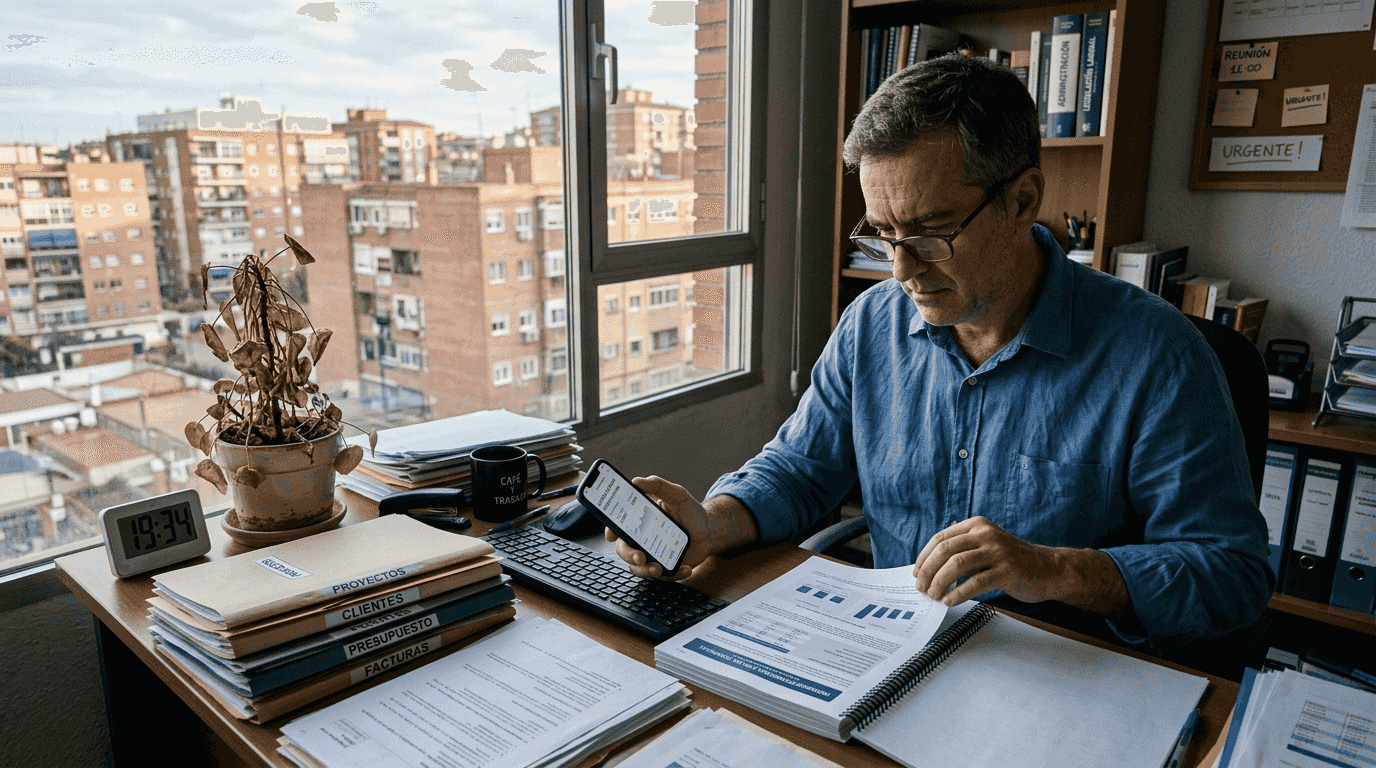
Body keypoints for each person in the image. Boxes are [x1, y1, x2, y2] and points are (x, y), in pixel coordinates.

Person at [608, 55, 1273, 651]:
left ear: (1022, 200)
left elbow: (1232, 575)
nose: (901, 271)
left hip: (1065, 670)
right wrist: (710, 524)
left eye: (929, 234)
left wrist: (1054, 569)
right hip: (893, 650)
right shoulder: (872, 324)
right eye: (883, 235)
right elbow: (801, 469)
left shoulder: (1158, 356)